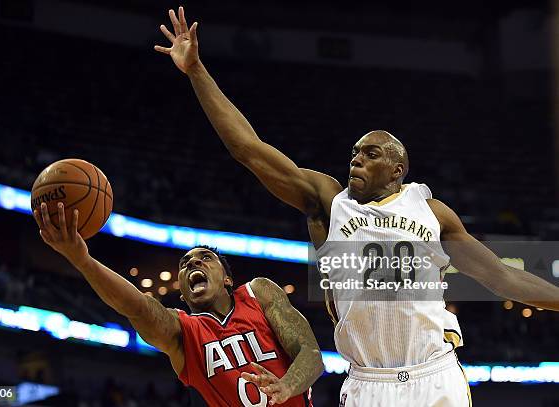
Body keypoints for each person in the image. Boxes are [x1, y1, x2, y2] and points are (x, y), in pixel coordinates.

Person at [154, 7, 559, 406]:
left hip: (433, 374)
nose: (356, 160)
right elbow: (248, 150)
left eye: (370, 154)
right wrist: (196, 71)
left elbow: (504, 278)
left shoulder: (432, 213)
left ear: (397, 169)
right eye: (354, 153)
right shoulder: (330, 202)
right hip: (368, 383)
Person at [33, 202, 323, 406]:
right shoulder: (183, 332)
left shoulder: (259, 293)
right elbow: (136, 306)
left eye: (205, 258)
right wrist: (82, 260)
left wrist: (286, 386)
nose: (193, 262)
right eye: (184, 264)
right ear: (183, 293)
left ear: (226, 279)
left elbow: (311, 354)